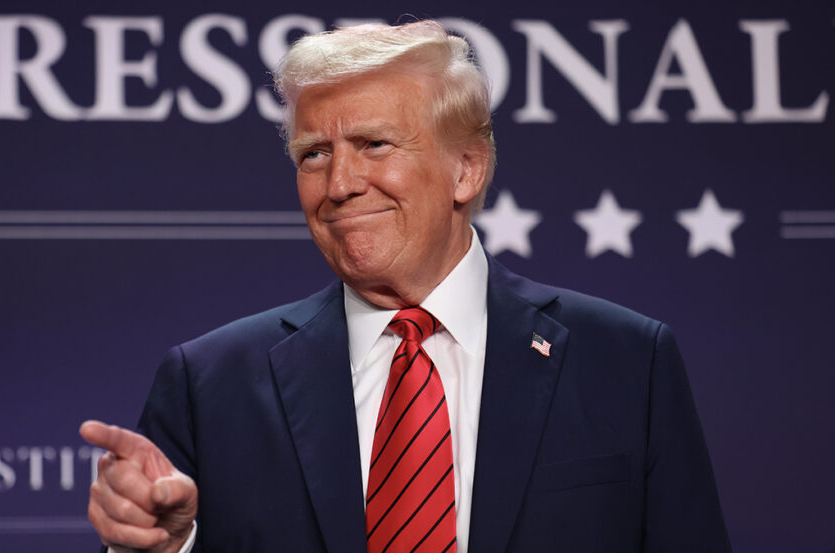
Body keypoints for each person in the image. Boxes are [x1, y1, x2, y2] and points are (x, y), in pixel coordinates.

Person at [80, 20, 730, 553]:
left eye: (373, 143)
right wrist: (165, 549)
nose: (338, 184)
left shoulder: (626, 362)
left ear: (466, 170)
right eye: (314, 154)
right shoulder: (209, 383)